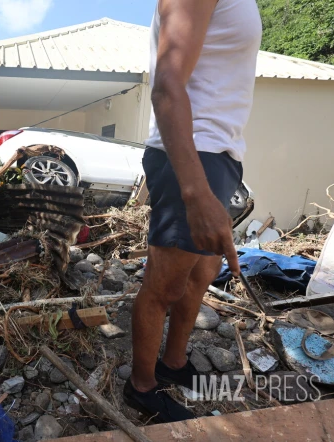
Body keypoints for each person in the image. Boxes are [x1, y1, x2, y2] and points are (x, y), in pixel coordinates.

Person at [123, 0, 262, 422]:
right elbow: (167, 84)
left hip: (219, 153)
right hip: (191, 152)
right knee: (164, 285)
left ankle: (174, 363)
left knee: (201, 274)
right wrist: (196, 191)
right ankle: (141, 388)